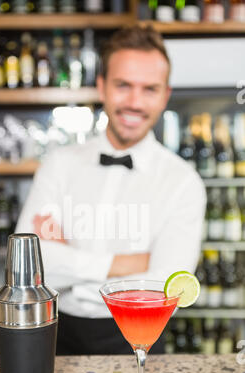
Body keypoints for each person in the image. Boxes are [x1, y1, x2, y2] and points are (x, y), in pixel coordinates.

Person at [16, 26, 206, 355]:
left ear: (165, 95)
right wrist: (126, 266)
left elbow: (167, 288)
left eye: (149, 89)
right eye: (123, 85)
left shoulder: (184, 181)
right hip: (57, 335)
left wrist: (68, 269)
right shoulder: (59, 164)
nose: (135, 102)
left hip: (140, 342)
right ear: (102, 86)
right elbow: (27, 270)